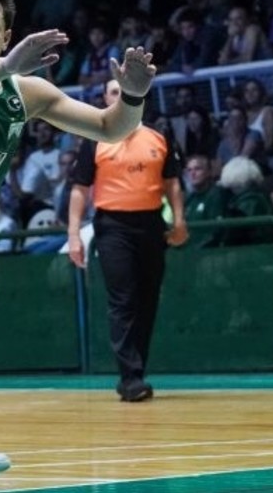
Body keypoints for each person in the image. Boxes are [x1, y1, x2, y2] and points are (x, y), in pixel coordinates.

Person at [68, 79, 187, 403]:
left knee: (147, 300)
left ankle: (136, 373)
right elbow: (79, 189)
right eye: (113, 92)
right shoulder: (95, 139)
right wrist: (74, 234)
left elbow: (172, 183)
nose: (120, 96)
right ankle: (131, 377)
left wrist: (179, 220)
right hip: (113, 227)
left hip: (151, 224)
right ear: (106, 99)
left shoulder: (159, 137)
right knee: (123, 300)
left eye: (125, 91)